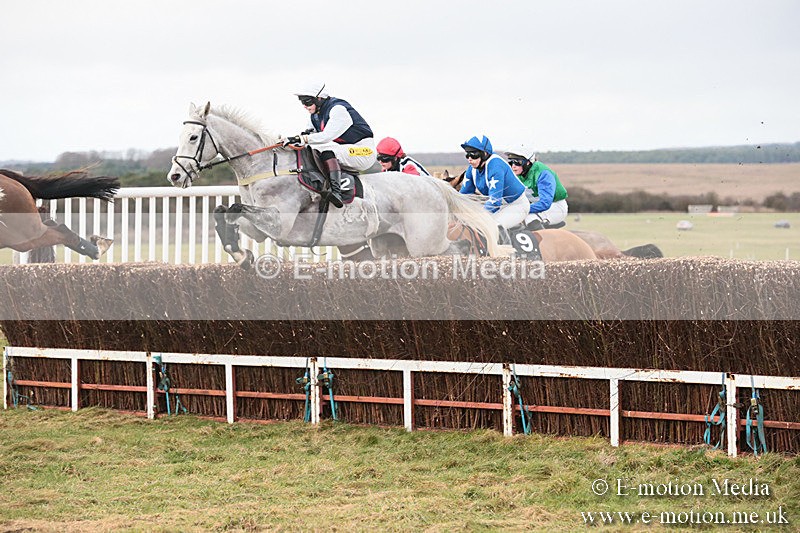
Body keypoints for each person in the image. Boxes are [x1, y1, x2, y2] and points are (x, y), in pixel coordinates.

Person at [282, 82, 376, 208]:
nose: (304, 106)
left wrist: (303, 139)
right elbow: (308, 136)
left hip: (364, 151)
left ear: (320, 98)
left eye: (307, 101)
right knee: (312, 149)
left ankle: (336, 192)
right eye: (302, 101)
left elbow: (326, 136)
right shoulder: (315, 116)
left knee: (326, 151)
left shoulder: (338, 109)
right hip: (345, 148)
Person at [458, 135, 530, 231]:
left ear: (484, 154)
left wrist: (477, 217)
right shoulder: (472, 169)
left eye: (473, 154)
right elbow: (463, 196)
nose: (469, 159)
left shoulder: (496, 166)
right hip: (499, 205)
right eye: (467, 155)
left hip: (516, 206)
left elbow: (495, 201)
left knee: (492, 228)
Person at [505, 148, 569, 230]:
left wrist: (522, 209)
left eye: (517, 162)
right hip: (536, 206)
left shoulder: (543, 173)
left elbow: (545, 203)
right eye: (511, 162)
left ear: (528, 162)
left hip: (555, 207)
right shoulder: (518, 174)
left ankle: (544, 238)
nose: (513, 166)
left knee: (529, 218)